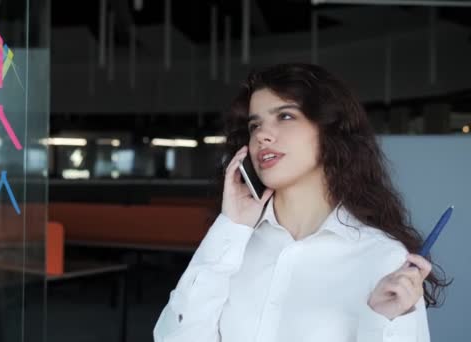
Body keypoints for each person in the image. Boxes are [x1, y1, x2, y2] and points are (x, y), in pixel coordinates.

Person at [153, 63, 450, 342]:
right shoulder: (233, 244)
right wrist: (230, 227)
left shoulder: (382, 257)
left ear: (330, 130)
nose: (263, 136)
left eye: (285, 116)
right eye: (255, 125)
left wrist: (383, 321)